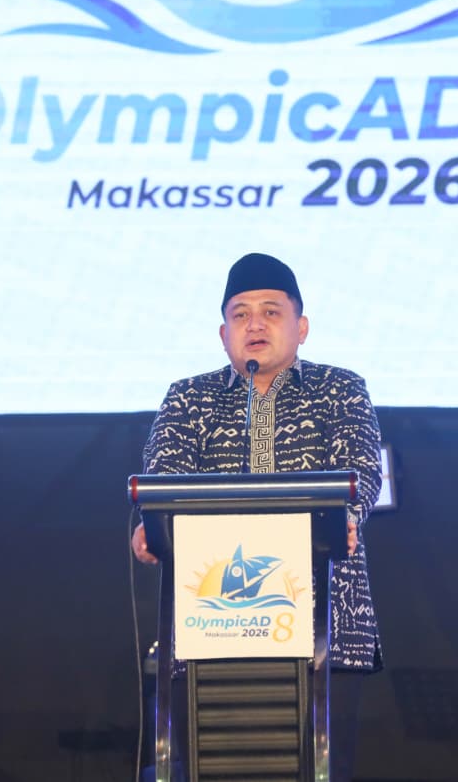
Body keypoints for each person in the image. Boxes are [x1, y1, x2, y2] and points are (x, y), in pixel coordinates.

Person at [132, 252, 382, 782]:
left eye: (271, 311)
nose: (255, 325)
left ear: (301, 327)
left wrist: (350, 516)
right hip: (208, 626)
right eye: (241, 314)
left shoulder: (340, 389)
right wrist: (150, 527)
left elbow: (361, 471)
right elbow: (162, 479)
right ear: (224, 334)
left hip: (324, 626)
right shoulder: (189, 397)